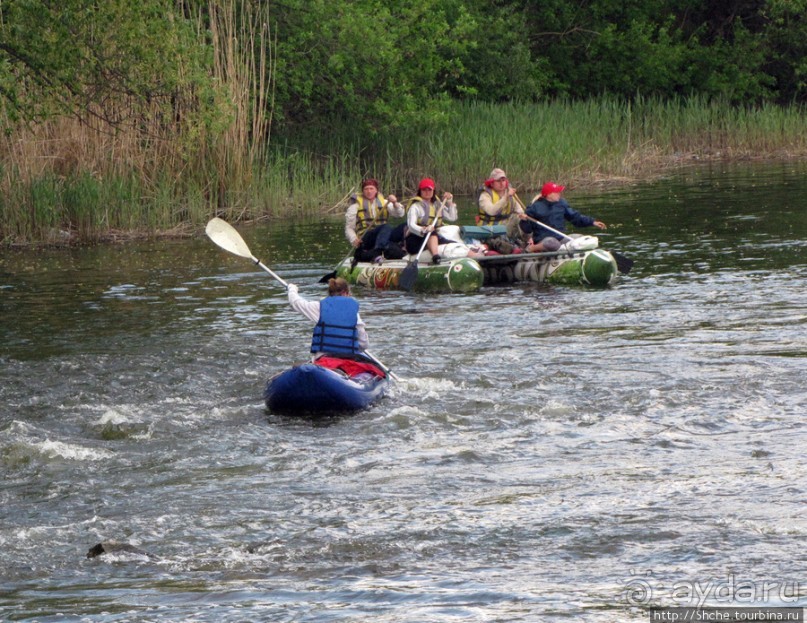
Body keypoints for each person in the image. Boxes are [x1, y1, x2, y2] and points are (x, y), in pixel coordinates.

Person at [287, 278, 369, 358]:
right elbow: (364, 344)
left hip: (324, 358)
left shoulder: (319, 306)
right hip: (348, 358)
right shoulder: (354, 312)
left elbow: (296, 302)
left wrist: (292, 288)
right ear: (345, 293)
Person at [521, 182, 607, 252]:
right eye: (556, 192)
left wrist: (592, 222)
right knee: (551, 242)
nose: (559, 194)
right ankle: (533, 248)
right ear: (549, 194)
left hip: (561, 238)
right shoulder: (535, 207)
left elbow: (575, 217)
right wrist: (524, 220)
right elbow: (527, 230)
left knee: (581, 238)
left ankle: (564, 251)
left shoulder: (561, 204)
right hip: (544, 240)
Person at [344, 178, 406, 263]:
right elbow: (349, 228)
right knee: (386, 227)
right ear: (363, 191)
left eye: (371, 189)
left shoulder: (385, 202)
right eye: (366, 189)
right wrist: (354, 239)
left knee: (405, 226)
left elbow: (400, 214)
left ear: (376, 190)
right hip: (367, 238)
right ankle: (377, 252)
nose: (369, 191)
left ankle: (404, 249)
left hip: (383, 237)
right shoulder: (355, 206)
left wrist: (395, 203)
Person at [404, 178, 459, 265]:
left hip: (433, 236)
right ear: (420, 191)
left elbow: (452, 218)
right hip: (415, 239)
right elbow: (411, 225)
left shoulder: (437, 205)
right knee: (432, 233)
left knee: (452, 243)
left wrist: (450, 203)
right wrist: (424, 229)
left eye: (429, 189)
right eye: (424, 190)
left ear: (433, 191)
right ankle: (435, 257)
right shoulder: (415, 207)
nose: (427, 192)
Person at [477, 167, 529, 254]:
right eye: (498, 181)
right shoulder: (485, 195)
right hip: (490, 229)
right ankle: (511, 248)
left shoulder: (511, 195)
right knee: (515, 218)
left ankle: (528, 242)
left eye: (503, 180)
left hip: (506, 228)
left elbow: (519, 211)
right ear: (492, 183)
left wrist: (524, 216)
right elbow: (491, 211)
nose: (502, 183)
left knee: (521, 218)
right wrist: (505, 197)